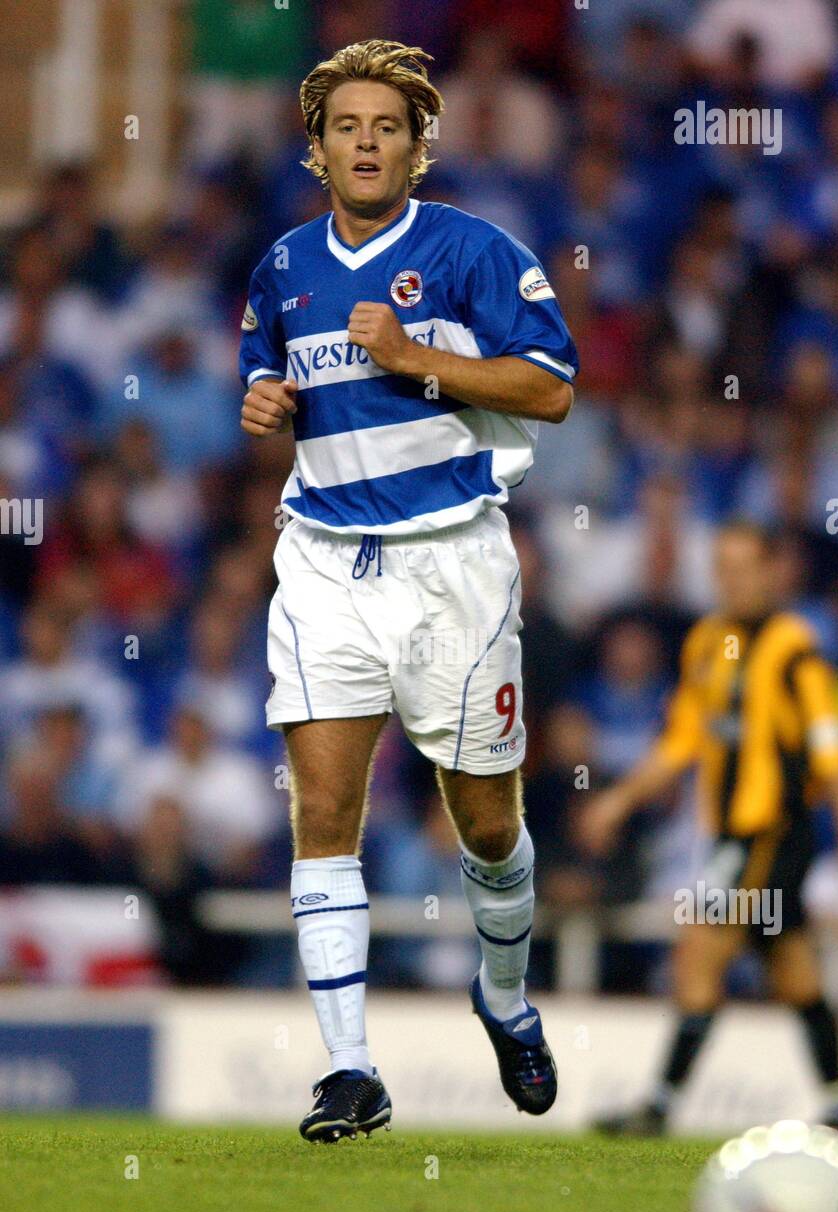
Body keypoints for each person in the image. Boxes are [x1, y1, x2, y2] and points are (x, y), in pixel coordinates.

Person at [239, 40, 577, 1142]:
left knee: (485, 825)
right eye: (347, 126)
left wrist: (418, 363)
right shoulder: (281, 267)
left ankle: (503, 996)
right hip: (326, 559)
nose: (368, 141)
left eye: (388, 126)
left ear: (417, 147)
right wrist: (266, 413)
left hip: (454, 565)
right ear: (318, 148)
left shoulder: (474, 251)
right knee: (323, 813)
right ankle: (349, 1072)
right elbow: (273, 380)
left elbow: (550, 389)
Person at [581, 521, 838, 1135]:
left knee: (698, 954)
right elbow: (682, 740)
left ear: (773, 571)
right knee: (793, 971)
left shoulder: (795, 647)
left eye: (744, 567)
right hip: (730, 835)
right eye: (722, 567)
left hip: (768, 833)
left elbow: (829, 746)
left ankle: (658, 1106)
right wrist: (619, 800)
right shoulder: (708, 643)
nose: (732, 580)